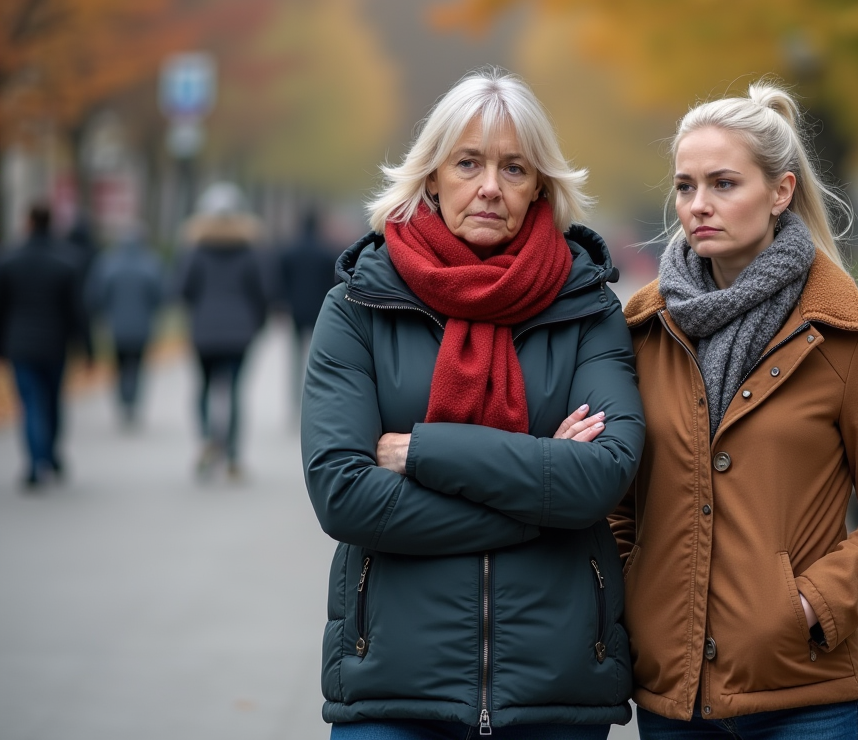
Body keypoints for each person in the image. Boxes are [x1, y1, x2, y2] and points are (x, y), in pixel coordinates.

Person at [302, 68, 644, 739]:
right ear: (432, 176)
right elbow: (342, 494)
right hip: (391, 692)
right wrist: (542, 501)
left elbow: (601, 478)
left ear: (540, 186)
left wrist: (422, 451)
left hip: (557, 691)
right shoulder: (358, 305)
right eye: (469, 163)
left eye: (514, 168)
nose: (490, 186)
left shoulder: (589, 308)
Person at [612, 80, 858, 739]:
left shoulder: (850, 336)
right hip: (671, 696)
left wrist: (810, 608)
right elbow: (621, 499)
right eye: (685, 186)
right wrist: (635, 599)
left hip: (803, 693)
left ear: (781, 191)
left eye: (724, 184)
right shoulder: (643, 330)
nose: (699, 205)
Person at [176, 182, 271, 478]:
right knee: (234, 391)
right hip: (240, 331)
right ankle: (232, 455)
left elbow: (182, 289)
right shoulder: (250, 250)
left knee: (204, 388)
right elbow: (264, 292)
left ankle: (207, 439)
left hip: (204, 330)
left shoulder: (196, 250)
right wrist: (257, 324)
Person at [0, 202, 93, 488]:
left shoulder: (9, 260)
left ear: (28, 222)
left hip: (20, 344)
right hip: (55, 344)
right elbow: (77, 310)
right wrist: (87, 347)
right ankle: (49, 455)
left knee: (29, 403)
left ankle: (34, 463)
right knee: (52, 401)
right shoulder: (66, 261)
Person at [86, 225, 166, 426]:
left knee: (120, 363)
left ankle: (123, 399)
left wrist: (104, 313)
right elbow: (160, 294)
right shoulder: (151, 263)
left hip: (116, 325)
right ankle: (132, 401)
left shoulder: (108, 263)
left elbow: (98, 293)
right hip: (142, 325)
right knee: (137, 364)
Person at [277, 209, 338, 409]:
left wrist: (282, 304)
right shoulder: (326, 253)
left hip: (296, 310)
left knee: (295, 356)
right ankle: (312, 396)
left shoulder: (290, 252)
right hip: (319, 310)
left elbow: (282, 282)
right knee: (317, 356)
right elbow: (333, 282)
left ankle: (294, 398)